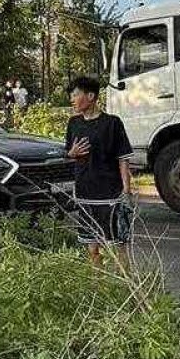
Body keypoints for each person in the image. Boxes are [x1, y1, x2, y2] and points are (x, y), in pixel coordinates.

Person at [64, 75, 134, 267]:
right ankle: (99, 287)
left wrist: (126, 191)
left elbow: (123, 158)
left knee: (119, 244)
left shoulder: (112, 123)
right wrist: (72, 153)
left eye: (76, 94)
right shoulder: (73, 123)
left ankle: (124, 282)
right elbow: (68, 153)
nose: (72, 99)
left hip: (111, 195)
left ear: (91, 96)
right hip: (85, 194)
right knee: (92, 248)